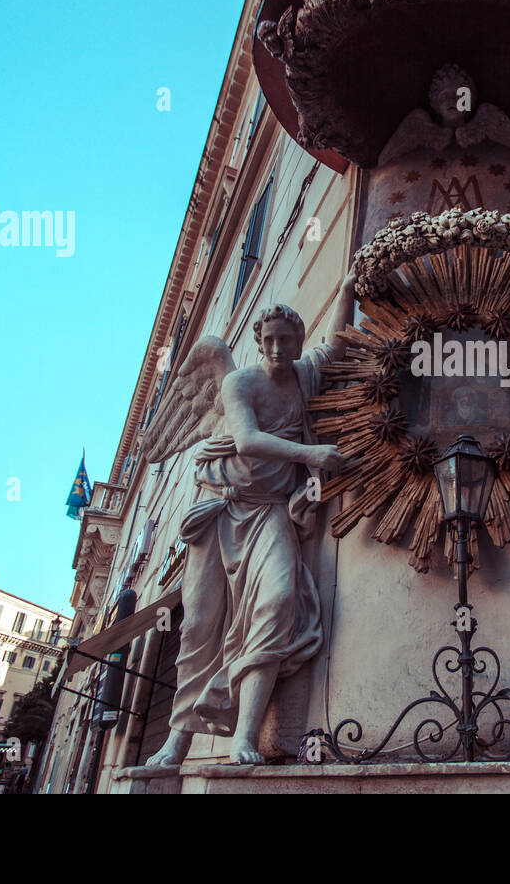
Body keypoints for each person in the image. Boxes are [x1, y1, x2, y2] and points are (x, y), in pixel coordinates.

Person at [146, 274, 356, 766]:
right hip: (220, 506)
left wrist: (346, 284)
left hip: (269, 512)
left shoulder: (305, 375)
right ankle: (176, 742)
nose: (279, 348)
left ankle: (244, 734)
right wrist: (312, 452)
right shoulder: (239, 381)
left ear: (298, 342)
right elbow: (246, 441)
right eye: (270, 340)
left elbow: (338, 345)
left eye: (288, 340)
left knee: (280, 600)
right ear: (258, 343)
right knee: (199, 625)